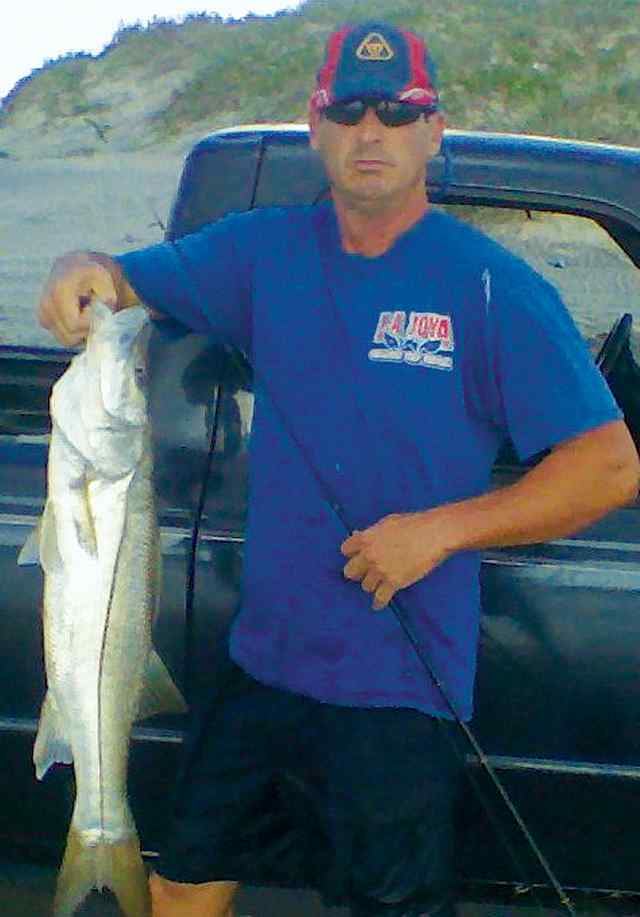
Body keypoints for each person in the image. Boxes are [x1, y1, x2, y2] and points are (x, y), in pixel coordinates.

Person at [38, 20, 639, 917]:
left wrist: (441, 530)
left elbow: (610, 465)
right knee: (179, 884)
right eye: (348, 109)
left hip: (399, 689)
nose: (372, 130)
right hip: (263, 663)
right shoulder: (259, 253)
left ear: (434, 131)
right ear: (314, 127)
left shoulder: (489, 287)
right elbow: (118, 282)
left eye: (399, 110)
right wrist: (76, 269)